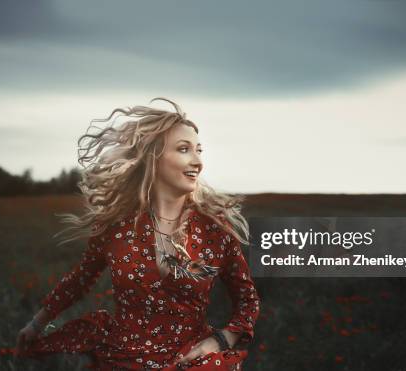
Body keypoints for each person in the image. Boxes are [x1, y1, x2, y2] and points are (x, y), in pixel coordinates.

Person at [15, 98, 260, 370]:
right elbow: (80, 280)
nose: (197, 161)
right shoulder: (117, 227)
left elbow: (248, 300)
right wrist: (36, 324)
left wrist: (221, 340)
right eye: (184, 149)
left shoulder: (215, 229)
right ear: (152, 157)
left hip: (193, 361)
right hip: (122, 358)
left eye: (199, 150)